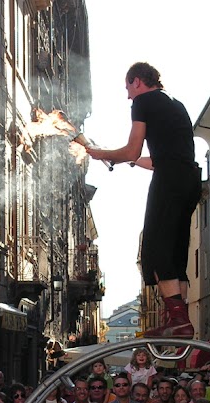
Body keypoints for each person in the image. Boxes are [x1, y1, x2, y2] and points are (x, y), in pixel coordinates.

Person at [86, 61, 201, 338]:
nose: (127, 95)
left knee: (155, 252)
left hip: (169, 181)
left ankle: (179, 321)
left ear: (137, 81)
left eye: (128, 87)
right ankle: (180, 316)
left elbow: (131, 149)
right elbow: (157, 157)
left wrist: (101, 153)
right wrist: (131, 161)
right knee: (175, 251)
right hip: (188, 179)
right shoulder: (177, 105)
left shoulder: (143, 102)